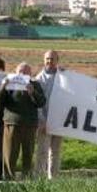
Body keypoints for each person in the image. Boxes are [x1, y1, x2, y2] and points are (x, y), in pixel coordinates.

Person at [0, 62, 46, 180]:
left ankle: (27, 178)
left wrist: (33, 92)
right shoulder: (9, 84)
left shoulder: (35, 85)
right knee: (10, 154)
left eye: (25, 72)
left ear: (30, 74)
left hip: (30, 125)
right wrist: (3, 86)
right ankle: (8, 178)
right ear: (15, 72)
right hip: (11, 123)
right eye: (20, 71)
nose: (22, 74)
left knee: (28, 153)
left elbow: (42, 102)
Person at [34, 50, 64, 179]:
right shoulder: (39, 79)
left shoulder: (64, 76)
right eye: (47, 59)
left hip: (59, 121)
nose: (49, 61)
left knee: (55, 152)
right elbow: (37, 102)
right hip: (45, 121)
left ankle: (54, 178)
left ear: (57, 60)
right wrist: (42, 120)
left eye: (52, 59)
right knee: (42, 151)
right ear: (44, 60)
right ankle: (40, 178)